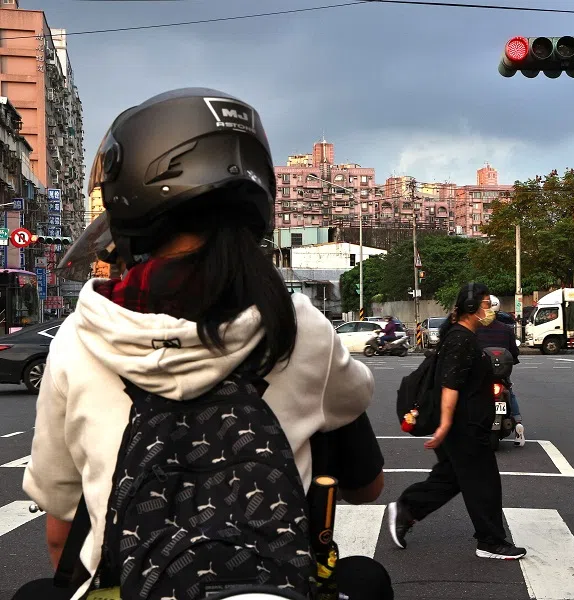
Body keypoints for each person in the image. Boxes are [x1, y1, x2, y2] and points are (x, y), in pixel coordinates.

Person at [21, 88, 391, 600]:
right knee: (364, 581)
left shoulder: (80, 336)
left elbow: (62, 529)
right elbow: (367, 487)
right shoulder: (301, 326)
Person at [387, 282, 526, 560]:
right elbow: (450, 385)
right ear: (472, 308)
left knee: (451, 477)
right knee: (483, 483)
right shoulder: (461, 339)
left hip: (465, 424)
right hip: (464, 426)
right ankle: (490, 541)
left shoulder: (462, 335)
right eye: (486, 305)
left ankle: (408, 508)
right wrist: (445, 425)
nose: (490, 311)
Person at [476, 295, 525, 446]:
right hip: (502, 373)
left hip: (481, 374)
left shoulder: (475, 329)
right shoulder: (506, 329)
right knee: (510, 392)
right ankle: (518, 424)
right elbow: (514, 352)